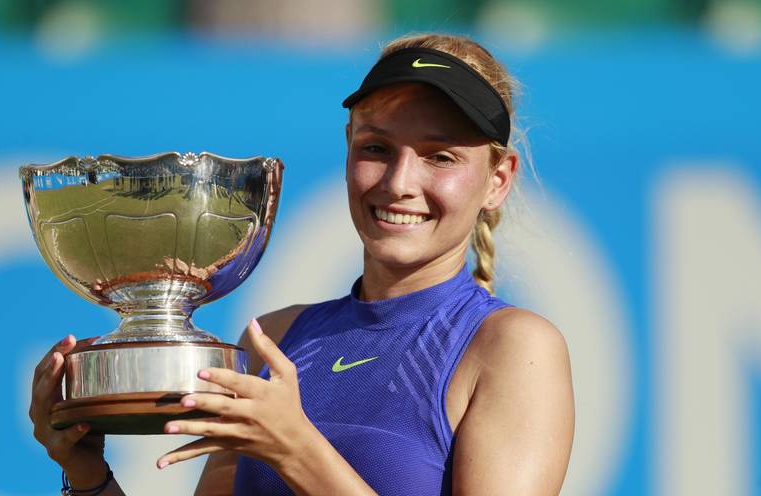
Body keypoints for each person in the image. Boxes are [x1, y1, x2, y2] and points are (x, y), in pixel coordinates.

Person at [30, 33, 575, 495]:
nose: (399, 183)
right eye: (377, 148)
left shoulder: (513, 348)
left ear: (498, 180)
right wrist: (87, 474)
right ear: (348, 147)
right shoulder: (274, 339)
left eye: (440, 157)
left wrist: (296, 450)